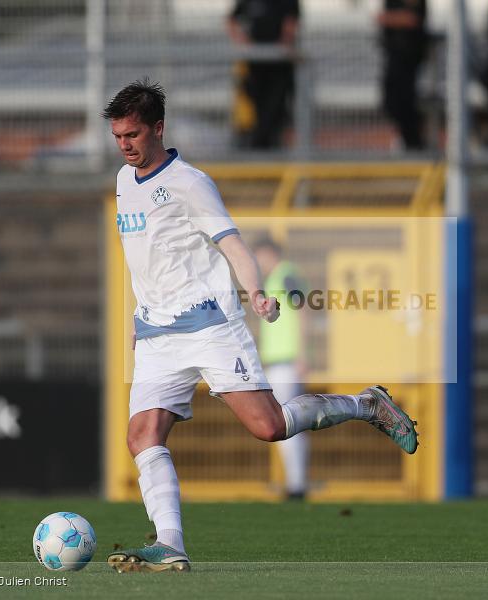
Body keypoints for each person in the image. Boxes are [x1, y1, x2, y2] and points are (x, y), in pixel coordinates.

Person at [102, 79, 419, 573]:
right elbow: (146, 260)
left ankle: (365, 404)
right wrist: (137, 320)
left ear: (158, 128)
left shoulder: (190, 182)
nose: (124, 144)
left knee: (268, 427)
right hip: (157, 333)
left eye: (133, 134)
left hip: (209, 325)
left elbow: (233, 245)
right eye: (118, 135)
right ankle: (170, 543)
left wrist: (254, 292)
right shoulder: (124, 182)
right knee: (142, 435)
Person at [252, 238, 310, 500]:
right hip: (278, 362)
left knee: (286, 422)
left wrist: (301, 354)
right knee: (286, 422)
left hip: (287, 362)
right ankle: (295, 482)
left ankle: (297, 485)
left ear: (269, 253)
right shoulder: (276, 279)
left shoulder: (286, 275)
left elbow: (304, 311)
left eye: (259, 256)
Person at [227, 0, 300, 149]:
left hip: (279, 69)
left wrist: (282, 48)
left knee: (275, 114)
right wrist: (245, 44)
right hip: (255, 69)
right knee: (257, 116)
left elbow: (291, 23)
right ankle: (260, 151)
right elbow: (231, 20)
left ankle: (268, 151)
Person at [377, 0, 428, 150]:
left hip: (408, 57)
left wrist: (389, 18)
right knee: (391, 100)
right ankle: (405, 138)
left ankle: (413, 142)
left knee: (405, 101)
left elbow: (412, 18)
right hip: (394, 56)